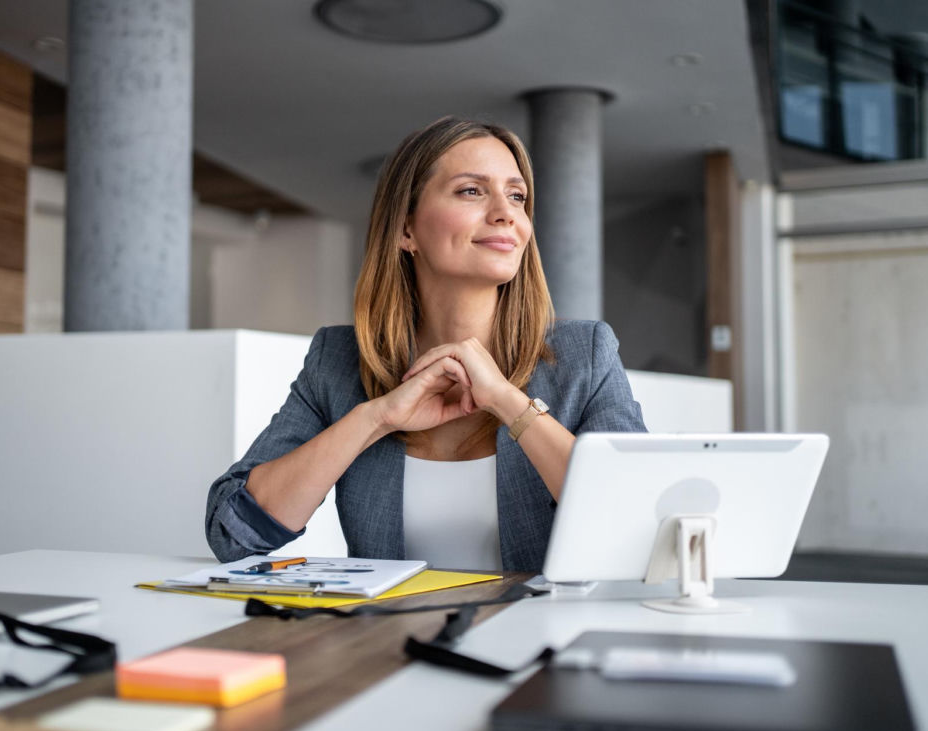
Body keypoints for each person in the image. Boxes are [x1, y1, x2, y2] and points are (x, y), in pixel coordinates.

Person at [205, 116, 646, 572]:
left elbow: (643, 524)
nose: (506, 213)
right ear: (405, 229)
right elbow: (232, 533)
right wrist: (376, 418)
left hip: (537, 638)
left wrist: (510, 404)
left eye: (517, 195)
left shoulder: (585, 355)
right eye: (471, 191)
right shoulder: (337, 361)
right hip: (392, 640)